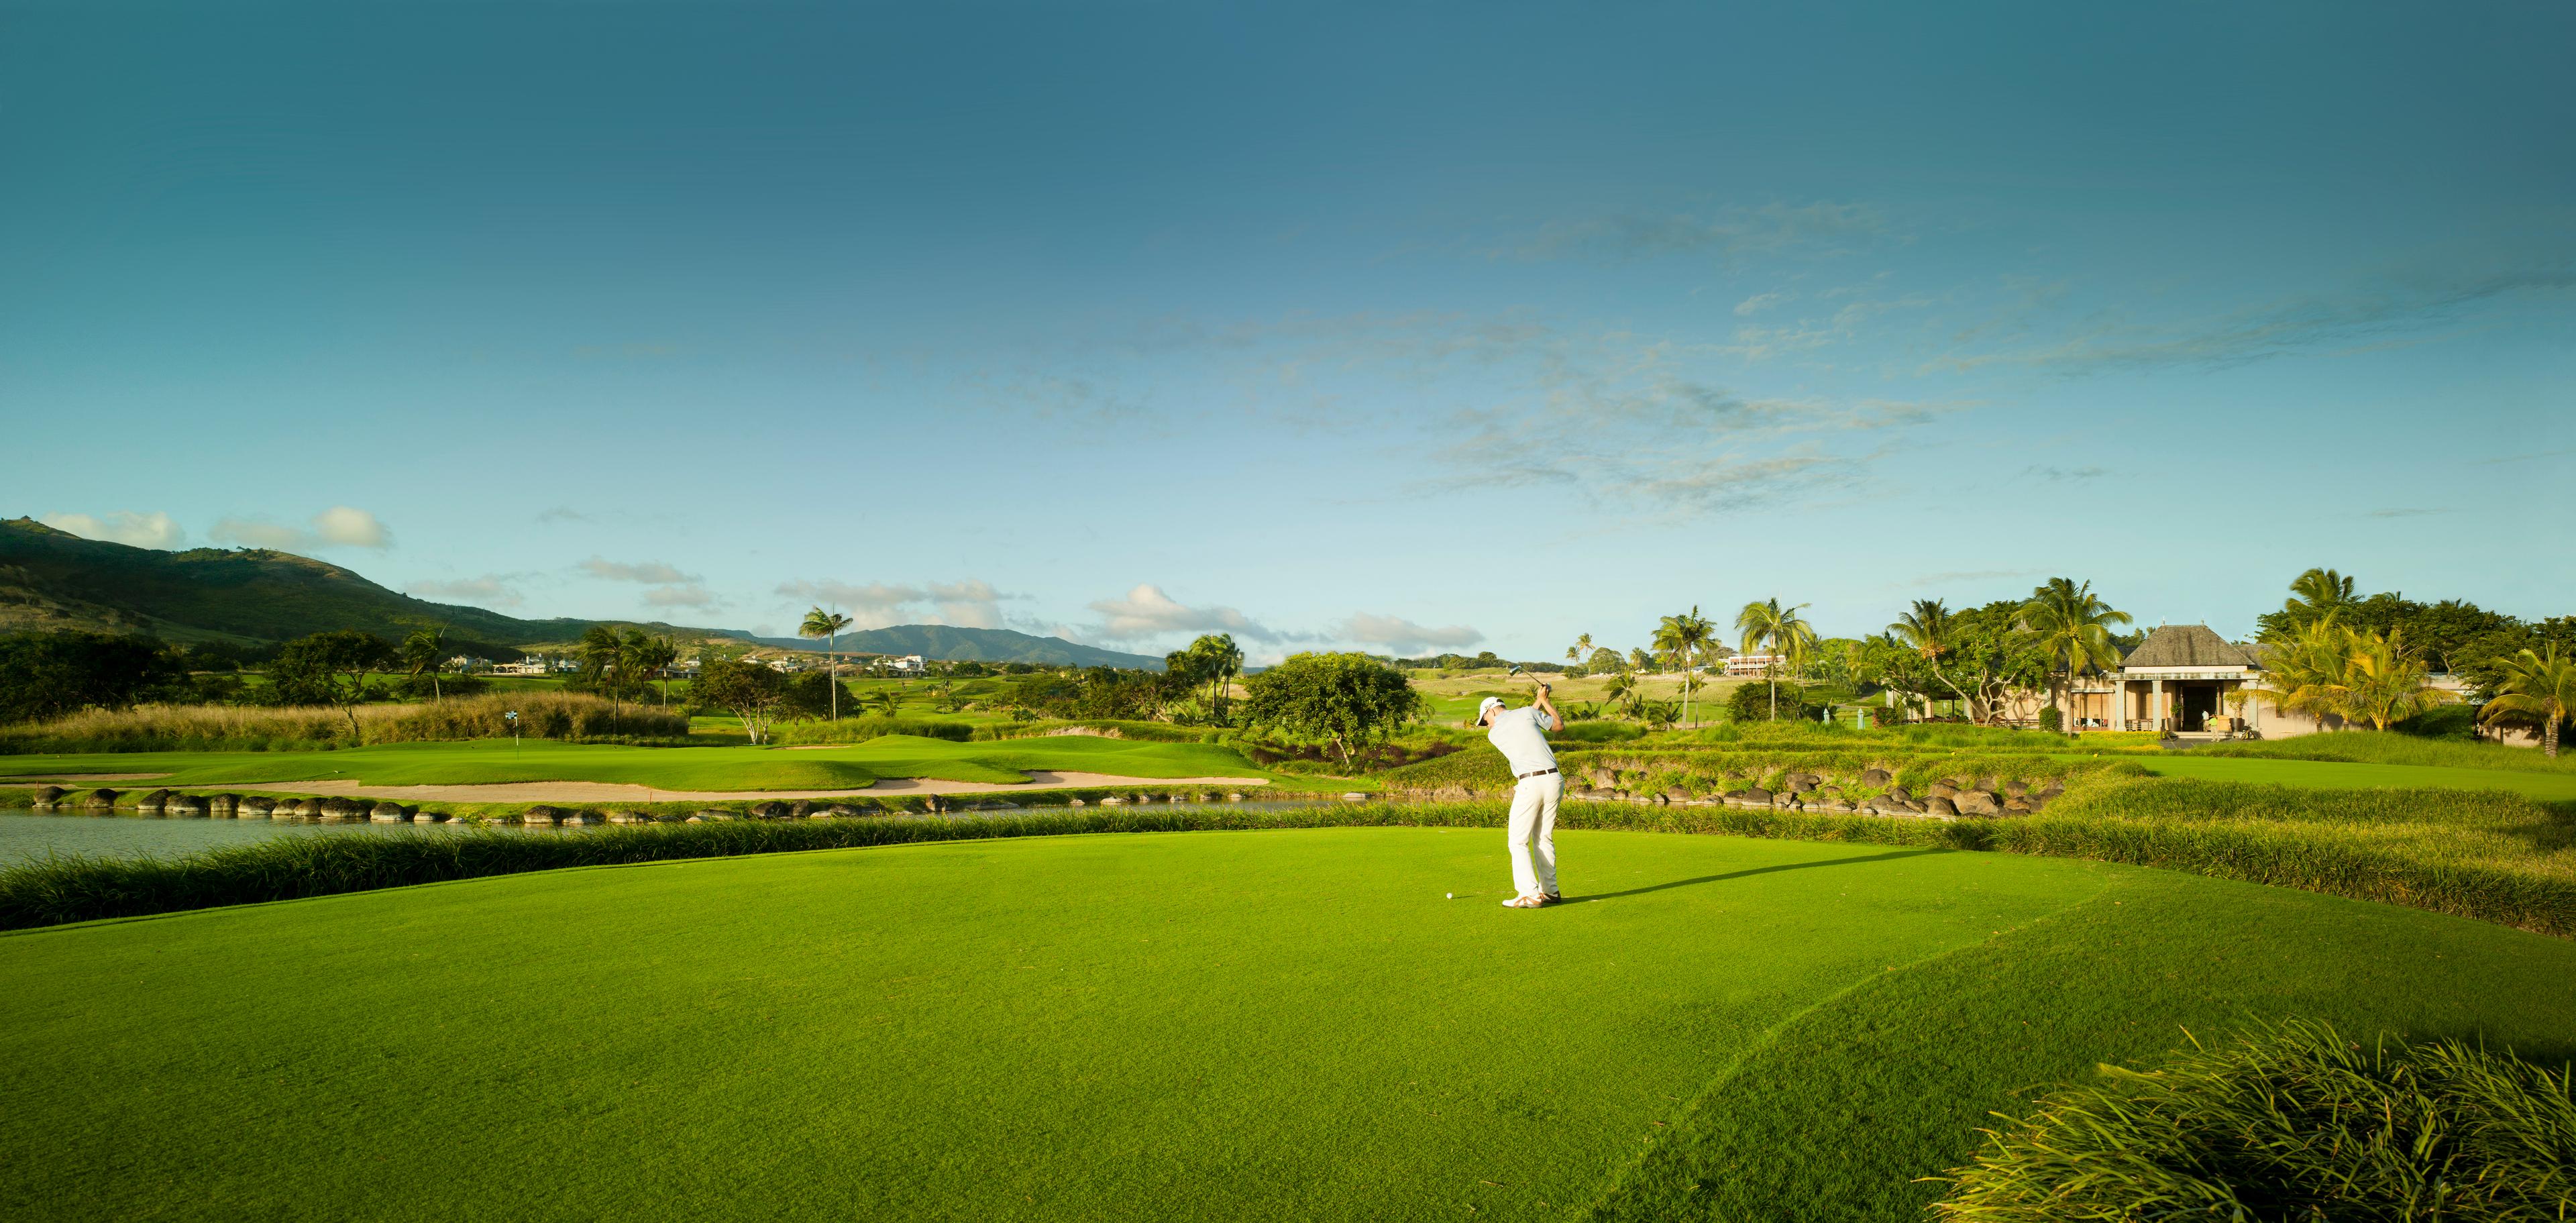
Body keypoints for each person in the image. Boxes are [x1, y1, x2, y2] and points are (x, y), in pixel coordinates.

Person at [1474, 684, 1564, 908]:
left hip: (1530, 784)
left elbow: (1522, 720)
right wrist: (1543, 700)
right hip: (1554, 780)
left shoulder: (1495, 733)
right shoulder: (1527, 713)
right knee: (1543, 837)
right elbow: (1557, 725)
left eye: (1485, 720)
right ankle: (1550, 892)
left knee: (1517, 840)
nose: (1487, 725)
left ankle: (1529, 894)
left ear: (1491, 710)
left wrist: (1540, 700)